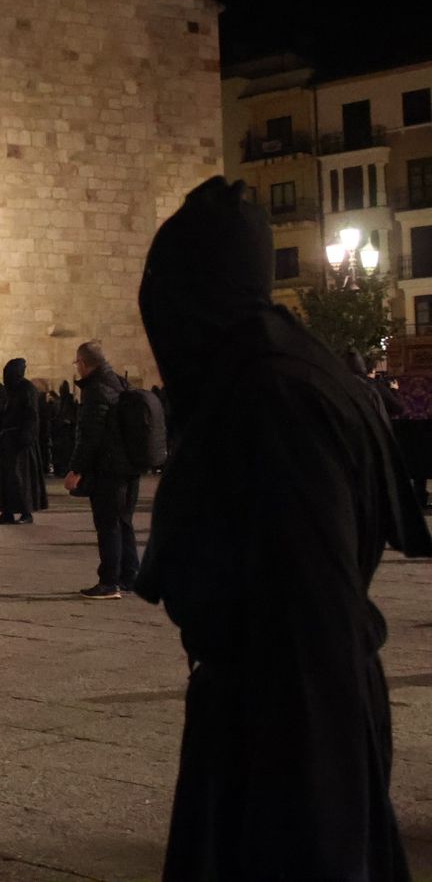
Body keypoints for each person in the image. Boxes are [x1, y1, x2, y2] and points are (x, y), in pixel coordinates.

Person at [134, 176, 432, 880]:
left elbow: (310, 621)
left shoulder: (271, 396)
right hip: (274, 713)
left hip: (282, 730)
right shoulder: (288, 368)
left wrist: (324, 830)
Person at [62, 341, 140, 598]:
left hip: (109, 469)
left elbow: (90, 435)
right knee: (123, 522)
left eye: (77, 363)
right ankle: (129, 577)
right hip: (129, 466)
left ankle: (109, 583)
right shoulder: (119, 382)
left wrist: (76, 469)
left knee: (108, 524)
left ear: (83, 363)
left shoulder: (96, 390)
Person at [0, 359, 46, 524]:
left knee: (21, 477)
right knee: (6, 477)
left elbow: (31, 414)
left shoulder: (27, 389)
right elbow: (3, 413)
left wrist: (27, 435)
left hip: (21, 440)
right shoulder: (9, 390)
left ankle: (26, 512)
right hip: (7, 440)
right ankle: (7, 512)